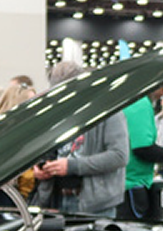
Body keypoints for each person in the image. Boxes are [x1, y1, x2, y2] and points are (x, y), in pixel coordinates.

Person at [31, 60, 129, 217]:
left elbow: (119, 156)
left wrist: (72, 166)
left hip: (96, 205)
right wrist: (40, 167)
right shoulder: (57, 114)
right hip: (55, 199)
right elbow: (48, 150)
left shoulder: (109, 112)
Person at [119, 86, 163, 219]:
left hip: (123, 182)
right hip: (132, 184)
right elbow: (143, 148)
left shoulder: (129, 101)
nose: (162, 94)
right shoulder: (141, 104)